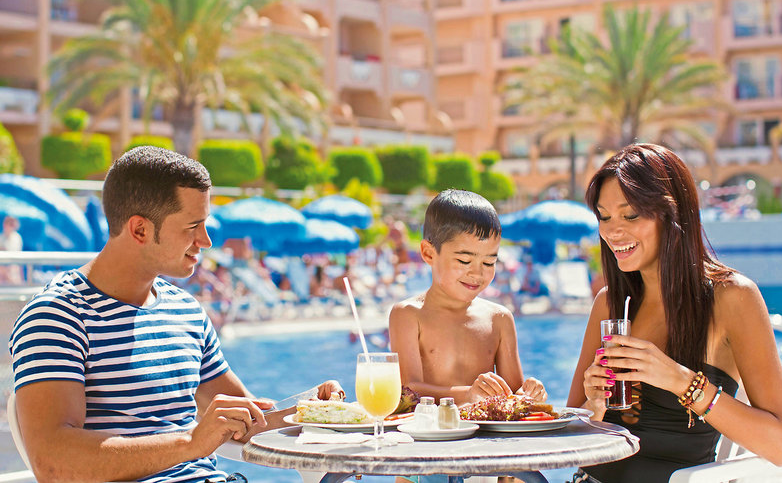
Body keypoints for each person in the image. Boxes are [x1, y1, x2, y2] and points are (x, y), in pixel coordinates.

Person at [9, 146, 343, 483]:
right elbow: (53, 464)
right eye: (193, 226)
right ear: (139, 230)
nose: (206, 240)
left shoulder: (184, 310)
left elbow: (246, 421)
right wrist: (191, 443)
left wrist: (312, 409)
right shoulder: (58, 316)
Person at [566, 144, 782, 483]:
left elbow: (781, 446)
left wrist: (681, 381)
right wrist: (593, 405)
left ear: (672, 213)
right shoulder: (610, 303)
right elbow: (570, 439)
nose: (612, 231)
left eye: (630, 215)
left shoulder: (732, 298)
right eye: (604, 216)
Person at [390, 189, 547, 406]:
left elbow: (513, 395)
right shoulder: (408, 315)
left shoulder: (499, 319)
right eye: (464, 261)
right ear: (429, 253)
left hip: (482, 429)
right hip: (430, 427)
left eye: (489, 263)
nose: (477, 273)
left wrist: (529, 394)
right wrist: (468, 395)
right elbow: (408, 390)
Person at [0, 215, 23, 284]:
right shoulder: (1, 238)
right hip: (3, 273)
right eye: (9, 224)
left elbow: (19, 258)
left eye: (12, 225)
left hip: (13, 272)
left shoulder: (17, 238)